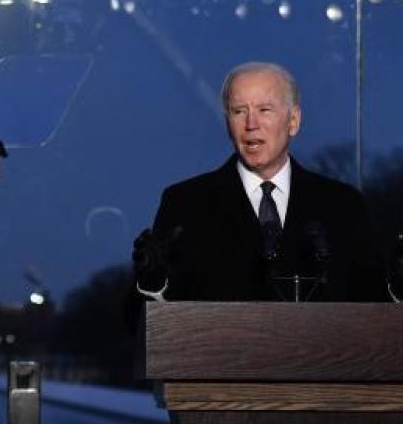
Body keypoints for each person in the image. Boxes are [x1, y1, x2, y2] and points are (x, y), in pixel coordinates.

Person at [133, 61, 388, 303]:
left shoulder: (343, 205)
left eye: (264, 110)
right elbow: (140, 323)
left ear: (293, 121)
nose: (251, 124)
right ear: (227, 124)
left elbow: (375, 310)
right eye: (239, 111)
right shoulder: (185, 204)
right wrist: (152, 284)